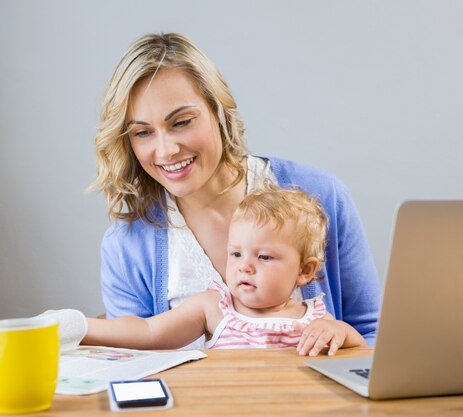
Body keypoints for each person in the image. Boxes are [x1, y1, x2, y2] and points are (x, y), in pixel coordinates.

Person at [91, 32, 381, 346]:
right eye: (143, 132)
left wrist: (342, 339)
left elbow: (373, 336)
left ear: (217, 110)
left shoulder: (322, 196)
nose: (166, 151)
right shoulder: (127, 246)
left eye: (182, 122)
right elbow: (135, 366)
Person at [81, 187, 366, 356]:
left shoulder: (313, 317)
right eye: (236, 253)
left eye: (264, 256)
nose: (244, 266)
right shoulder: (214, 307)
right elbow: (147, 330)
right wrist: (78, 327)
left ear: (305, 270)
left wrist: (338, 330)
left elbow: (361, 351)